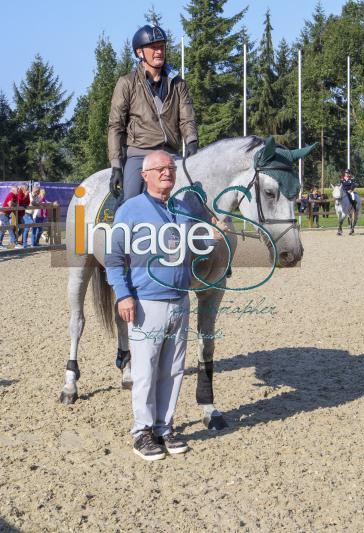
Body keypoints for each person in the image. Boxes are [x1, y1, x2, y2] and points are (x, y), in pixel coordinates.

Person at [106, 150, 221, 461]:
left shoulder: (183, 210)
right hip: (146, 302)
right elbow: (114, 259)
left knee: (172, 369)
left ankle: (163, 426)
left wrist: (213, 235)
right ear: (145, 175)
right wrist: (123, 295)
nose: (167, 173)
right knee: (145, 369)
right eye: (160, 169)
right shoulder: (130, 211)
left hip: (179, 301)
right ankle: (141, 432)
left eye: (170, 168)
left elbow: (196, 249)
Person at [108, 24, 198, 204]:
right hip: (140, 155)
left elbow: (187, 117)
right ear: (139, 52)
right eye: (154, 47)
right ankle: (119, 230)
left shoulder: (178, 83)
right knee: (130, 200)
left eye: (162, 47)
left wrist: (192, 141)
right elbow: (115, 126)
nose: (159, 52)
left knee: (195, 199)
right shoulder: (126, 83)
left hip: (171, 154)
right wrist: (116, 166)